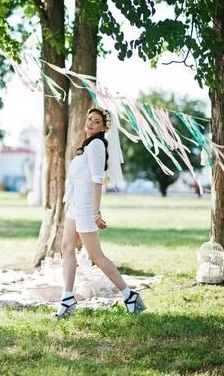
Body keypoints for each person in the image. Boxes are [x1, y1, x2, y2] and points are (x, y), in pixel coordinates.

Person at [53, 106, 146, 317]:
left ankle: (129, 296)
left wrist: (96, 211)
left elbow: (97, 179)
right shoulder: (88, 145)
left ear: (104, 128)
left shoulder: (96, 144)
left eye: (96, 121)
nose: (90, 123)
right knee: (67, 247)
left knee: (96, 255)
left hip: (86, 206)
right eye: (89, 119)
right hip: (75, 205)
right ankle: (67, 300)